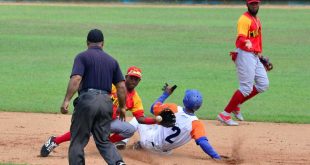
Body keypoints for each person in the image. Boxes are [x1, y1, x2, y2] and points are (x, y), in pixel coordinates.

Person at [40, 66, 159, 157]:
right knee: (81, 132)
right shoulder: (113, 86)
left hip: (110, 121)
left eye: (136, 79)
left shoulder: (135, 98)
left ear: (139, 81)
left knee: (130, 129)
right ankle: (55, 140)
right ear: (126, 77)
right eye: (131, 77)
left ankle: (105, 144)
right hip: (95, 116)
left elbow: (140, 119)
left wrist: (156, 120)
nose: (133, 80)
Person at [58, 29, 126, 165]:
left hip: (87, 100)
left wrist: (66, 100)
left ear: (87, 43)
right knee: (104, 140)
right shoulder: (112, 61)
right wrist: (123, 107)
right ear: (103, 44)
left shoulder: (82, 57)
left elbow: (76, 78)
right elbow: (121, 86)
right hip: (106, 102)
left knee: (77, 140)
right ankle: (118, 163)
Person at [124, 85, 221, 160]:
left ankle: (123, 141)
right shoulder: (196, 124)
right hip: (163, 153)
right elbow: (203, 142)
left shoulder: (173, 108)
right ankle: (141, 146)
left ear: (184, 100)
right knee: (159, 126)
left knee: (139, 118)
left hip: (149, 143)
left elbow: (152, 108)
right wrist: (216, 157)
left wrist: (165, 94)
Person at [217, 0, 269, 126]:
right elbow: (241, 38)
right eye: (252, 4)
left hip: (254, 56)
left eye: (256, 3)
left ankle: (236, 104)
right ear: (247, 5)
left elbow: (255, 39)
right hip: (245, 54)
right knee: (246, 87)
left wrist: (260, 56)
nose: (254, 6)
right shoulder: (244, 19)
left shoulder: (256, 19)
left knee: (263, 84)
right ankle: (225, 114)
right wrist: (246, 42)